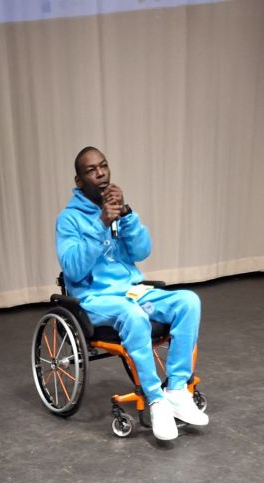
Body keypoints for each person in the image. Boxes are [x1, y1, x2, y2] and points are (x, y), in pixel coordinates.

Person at [56, 146, 208, 441]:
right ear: (79, 180)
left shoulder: (118, 210)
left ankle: (176, 390)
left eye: (103, 166)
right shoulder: (68, 219)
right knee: (133, 315)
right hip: (94, 299)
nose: (100, 174)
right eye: (91, 170)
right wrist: (101, 224)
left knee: (188, 301)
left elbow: (141, 251)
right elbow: (73, 269)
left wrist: (127, 215)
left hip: (132, 292)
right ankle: (156, 400)